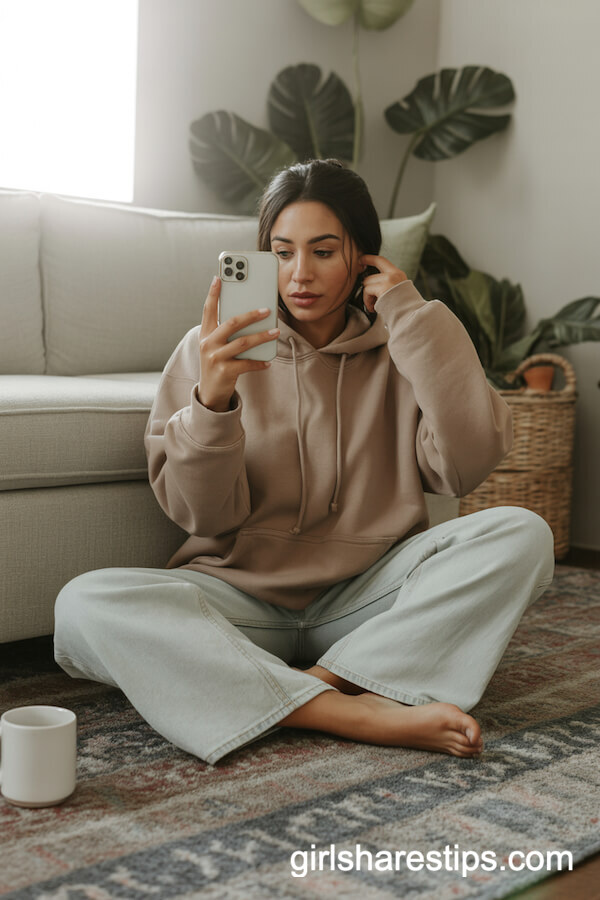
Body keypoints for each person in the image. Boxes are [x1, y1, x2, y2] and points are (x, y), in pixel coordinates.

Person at [54, 159, 555, 766]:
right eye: (282, 252)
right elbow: (202, 514)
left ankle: (310, 685)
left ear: (364, 258)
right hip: (240, 599)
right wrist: (213, 401)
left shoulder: (405, 347)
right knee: (83, 604)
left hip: (368, 598)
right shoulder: (209, 351)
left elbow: (464, 467)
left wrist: (411, 318)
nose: (299, 275)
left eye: (322, 251)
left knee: (522, 533)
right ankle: (345, 705)